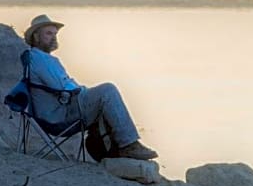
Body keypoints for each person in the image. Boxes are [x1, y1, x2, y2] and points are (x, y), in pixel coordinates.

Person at [22, 13, 159, 160]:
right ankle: (127, 145)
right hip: (58, 116)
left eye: (55, 34)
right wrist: (83, 92)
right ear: (36, 37)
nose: (54, 37)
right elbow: (61, 86)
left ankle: (111, 149)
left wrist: (83, 91)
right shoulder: (38, 59)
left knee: (102, 96)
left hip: (64, 107)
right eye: (49, 34)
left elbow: (65, 84)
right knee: (107, 90)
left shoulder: (48, 59)